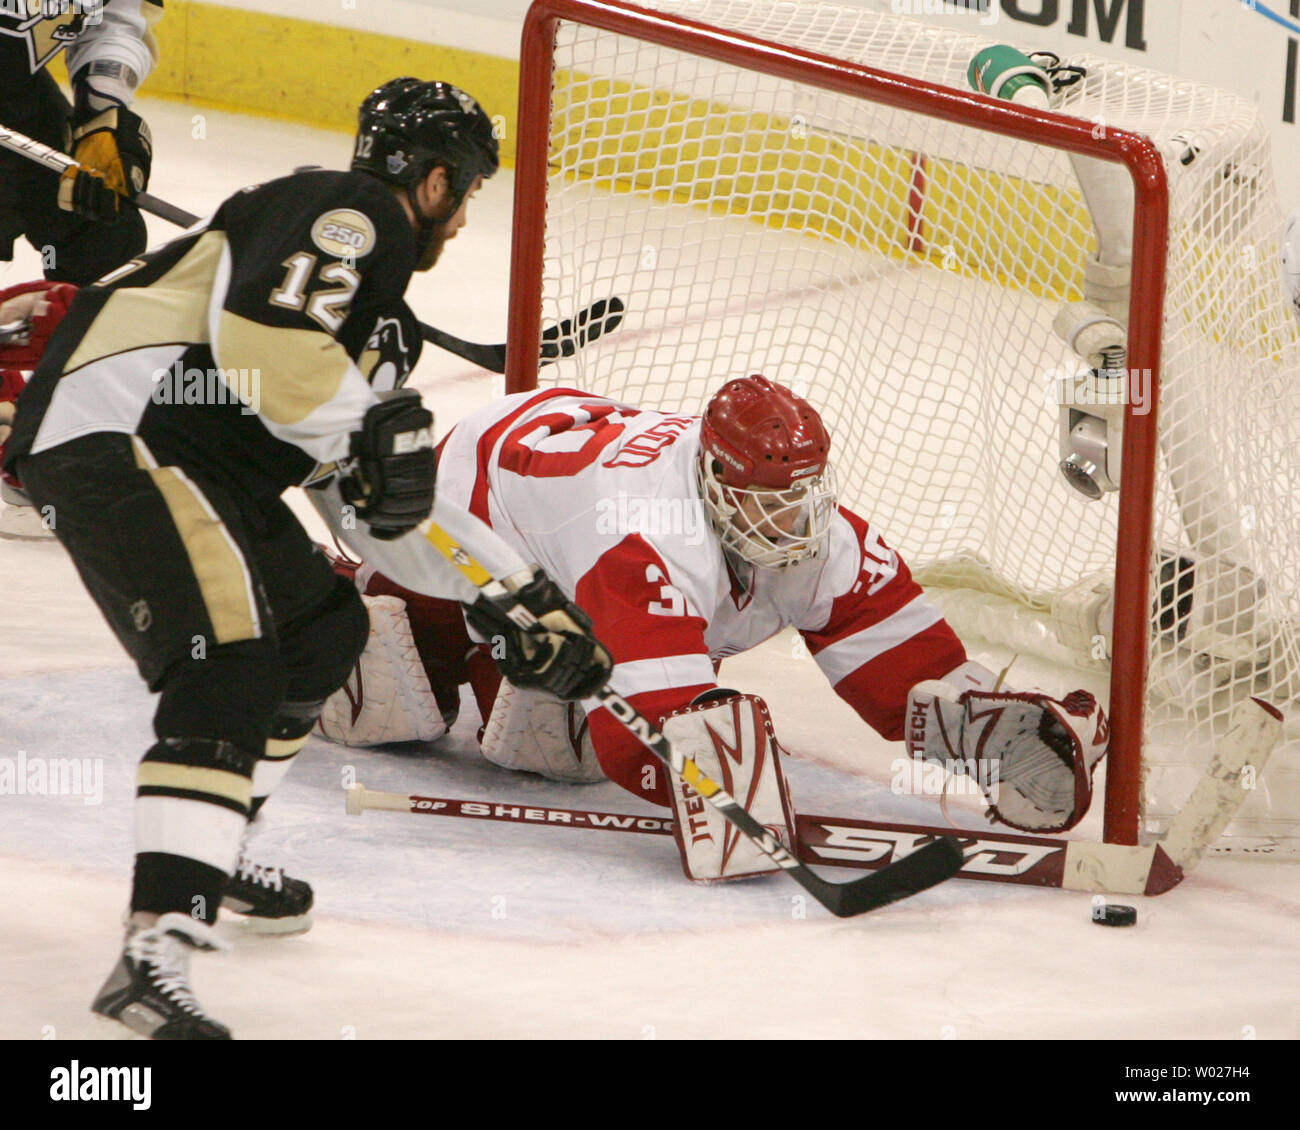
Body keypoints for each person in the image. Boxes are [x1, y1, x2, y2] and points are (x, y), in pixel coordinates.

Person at [2, 77, 611, 1040]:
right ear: (440, 180)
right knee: (231, 662)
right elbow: (266, 342)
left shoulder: (379, 322)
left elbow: (364, 504)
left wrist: (512, 596)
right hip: (114, 429)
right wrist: (373, 426)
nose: (463, 217)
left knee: (323, 633)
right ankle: (154, 950)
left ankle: (216, 844)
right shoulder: (350, 208)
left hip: (200, 466)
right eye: (470, 192)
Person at [318, 376, 1110, 881]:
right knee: (395, 695)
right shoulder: (645, 536)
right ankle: (328, 595)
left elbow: (882, 635)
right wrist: (704, 769)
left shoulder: (806, 524)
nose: (791, 518)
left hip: (568, 458)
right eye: (770, 500)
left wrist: (957, 714)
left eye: (802, 493)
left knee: (557, 740)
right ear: (716, 481)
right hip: (484, 489)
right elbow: (647, 739)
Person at [1, 0, 161, 284]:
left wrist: (102, 106)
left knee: (104, 234)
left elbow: (112, 17)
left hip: (12, 88)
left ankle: (55, 322)